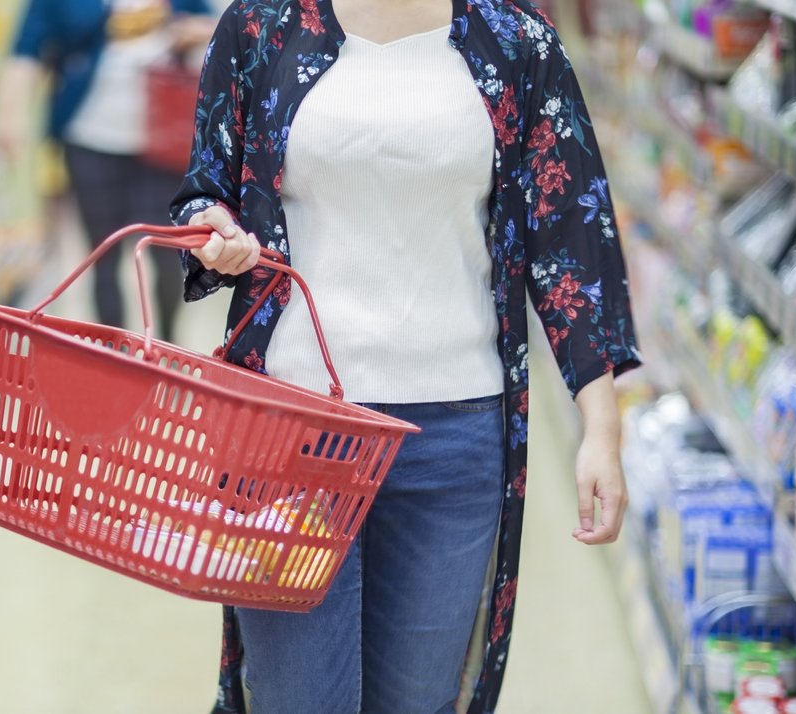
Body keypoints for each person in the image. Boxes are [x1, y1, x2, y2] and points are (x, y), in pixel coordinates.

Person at [171, 1, 642, 712]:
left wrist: (601, 429)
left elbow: (571, 234)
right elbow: (206, 191)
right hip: (286, 431)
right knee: (296, 700)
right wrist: (213, 230)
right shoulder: (260, 26)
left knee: (418, 701)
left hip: (453, 437)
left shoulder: (516, 42)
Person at [0, 0, 217, 339]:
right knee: (103, 253)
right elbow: (26, 49)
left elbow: (215, 27)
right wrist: (10, 115)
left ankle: (167, 346)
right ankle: (113, 351)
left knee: (169, 254)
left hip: (163, 142)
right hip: (88, 137)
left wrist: (191, 32)